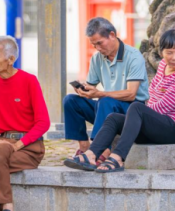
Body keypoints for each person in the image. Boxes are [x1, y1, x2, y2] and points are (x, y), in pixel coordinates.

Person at [64, 30, 175, 173]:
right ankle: (91, 155)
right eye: (169, 52)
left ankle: (117, 158)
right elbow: (152, 93)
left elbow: (161, 108)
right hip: (155, 126)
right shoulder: (162, 67)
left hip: (173, 130)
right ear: (161, 52)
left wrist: (136, 116)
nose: (174, 57)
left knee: (136, 108)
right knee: (114, 118)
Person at [0, 36, 50, 211]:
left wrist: (19, 144)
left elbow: (43, 122)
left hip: (30, 146)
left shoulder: (29, 81)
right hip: (2, 143)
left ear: (10, 59)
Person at [63, 17, 150, 161]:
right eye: (93, 45)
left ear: (112, 35)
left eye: (99, 43)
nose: (97, 48)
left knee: (105, 101)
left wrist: (100, 93)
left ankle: (100, 151)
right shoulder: (97, 58)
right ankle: (84, 147)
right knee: (70, 101)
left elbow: (131, 94)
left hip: (132, 112)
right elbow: (92, 85)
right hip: (106, 108)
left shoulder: (133, 56)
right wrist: (84, 90)